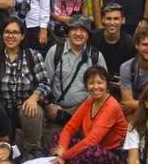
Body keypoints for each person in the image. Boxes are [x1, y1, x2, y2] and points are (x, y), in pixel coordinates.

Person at [0, 16, 50, 160]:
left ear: (22, 36)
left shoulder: (33, 56)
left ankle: (32, 149)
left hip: (25, 106)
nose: (11, 36)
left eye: (15, 32)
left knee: (31, 111)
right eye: (7, 32)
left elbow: (45, 84)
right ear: (2, 35)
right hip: (3, 109)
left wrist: (34, 97)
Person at [50, 67, 127, 164]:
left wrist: (64, 155)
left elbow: (92, 140)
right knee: (58, 137)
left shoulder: (112, 106)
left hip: (113, 154)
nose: (95, 87)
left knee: (87, 151)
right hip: (93, 145)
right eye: (91, 83)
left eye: (100, 83)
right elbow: (70, 127)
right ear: (86, 87)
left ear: (107, 85)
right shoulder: (89, 101)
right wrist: (63, 149)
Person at [42, 16, 107, 145]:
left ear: (88, 35)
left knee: (87, 147)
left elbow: (104, 88)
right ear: (68, 32)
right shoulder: (55, 52)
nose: (78, 34)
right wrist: (49, 106)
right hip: (59, 111)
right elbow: (45, 83)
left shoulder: (96, 56)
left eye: (83, 30)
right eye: (74, 29)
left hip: (86, 112)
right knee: (53, 146)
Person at [90, 3, 136, 97]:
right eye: (108, 19)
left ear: (123, 20)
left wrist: (125, 81)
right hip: (95, 84)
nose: (112, 22)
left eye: (116, 19)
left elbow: (134, 68)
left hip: (120, 85)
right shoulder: (92, 38)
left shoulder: (129, 42)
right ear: (103, 20)